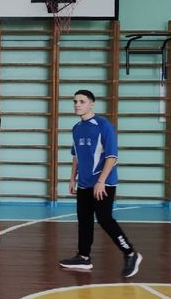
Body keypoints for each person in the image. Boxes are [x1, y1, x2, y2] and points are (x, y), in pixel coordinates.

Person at [59, 89, 142, 278]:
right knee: (84, 220)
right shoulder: (76, 128)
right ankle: (83, 257)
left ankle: (131, 253)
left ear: (91, 104)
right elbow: (76, 156)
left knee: (104, 219)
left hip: (103, 183)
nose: (77, 105)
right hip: (84, 183)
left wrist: (101, 181)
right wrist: (72, 178)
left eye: (82, 101)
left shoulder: (104, 126)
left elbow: (112, 157)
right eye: (75, 101)